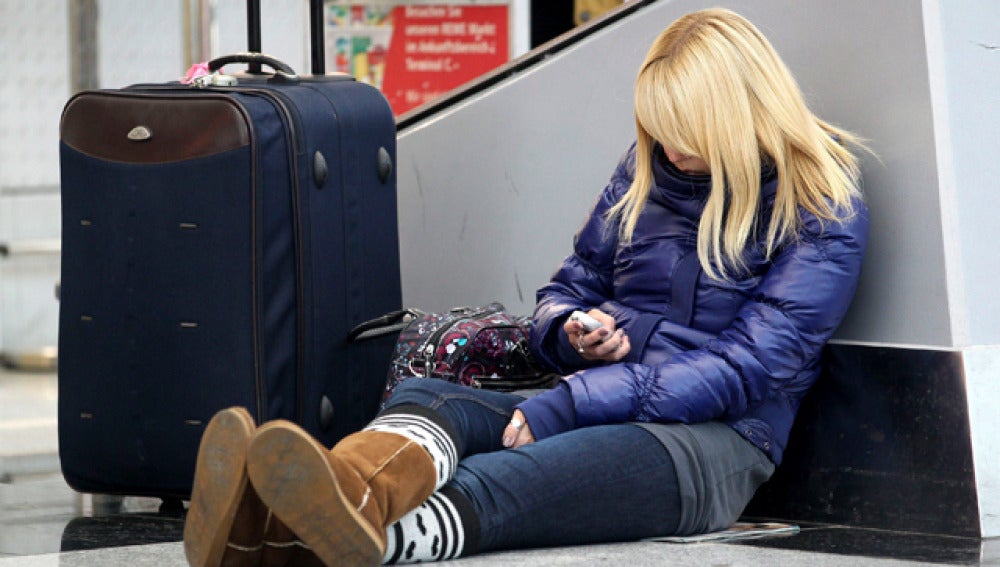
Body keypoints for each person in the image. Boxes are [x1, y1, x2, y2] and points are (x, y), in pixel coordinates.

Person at [183, 7, 870, 567]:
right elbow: (571, 282)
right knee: (431, 398)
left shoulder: (822, 208)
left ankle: (306, 541)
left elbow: (748, 368)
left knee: (517, 479)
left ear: (736, 115)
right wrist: (569, 328)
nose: (669, 150)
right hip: (603, 395)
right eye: (659, 131)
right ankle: (324, 501)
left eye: (685, 133)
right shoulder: (646, 168)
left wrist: (575, 399)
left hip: (711, 444)